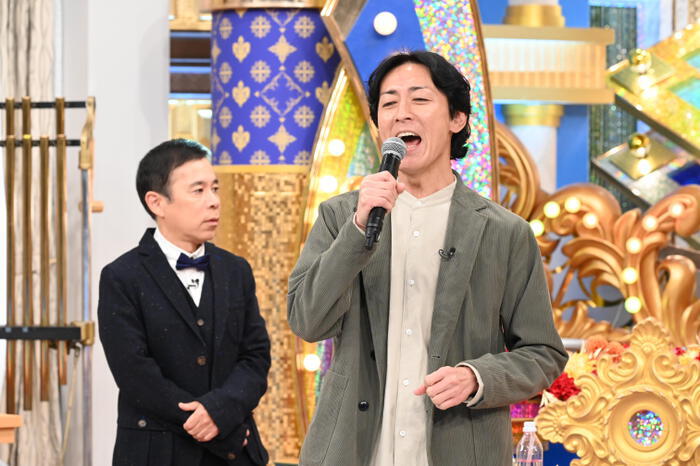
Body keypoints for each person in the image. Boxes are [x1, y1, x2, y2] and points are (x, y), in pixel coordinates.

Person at [287, 51, 568, 465]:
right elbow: (307, 320)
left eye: (419, 99)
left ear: (457, 119)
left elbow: (544, 353)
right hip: (354, 451)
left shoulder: (504, 232)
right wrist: (357, 230)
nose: (402, 113)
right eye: (389, 103)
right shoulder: (341, 216)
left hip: (462, 449)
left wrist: (477, 378)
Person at [98, 139, 271, 466]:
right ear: (157, 203)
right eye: (198, 190)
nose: (214, 202)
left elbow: (255, 356)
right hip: (157, 452)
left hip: (236, 453)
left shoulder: (236, 270)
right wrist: (211, 427)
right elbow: (134, 373)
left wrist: (220, 411)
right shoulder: (122, 276)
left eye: (215, 189)